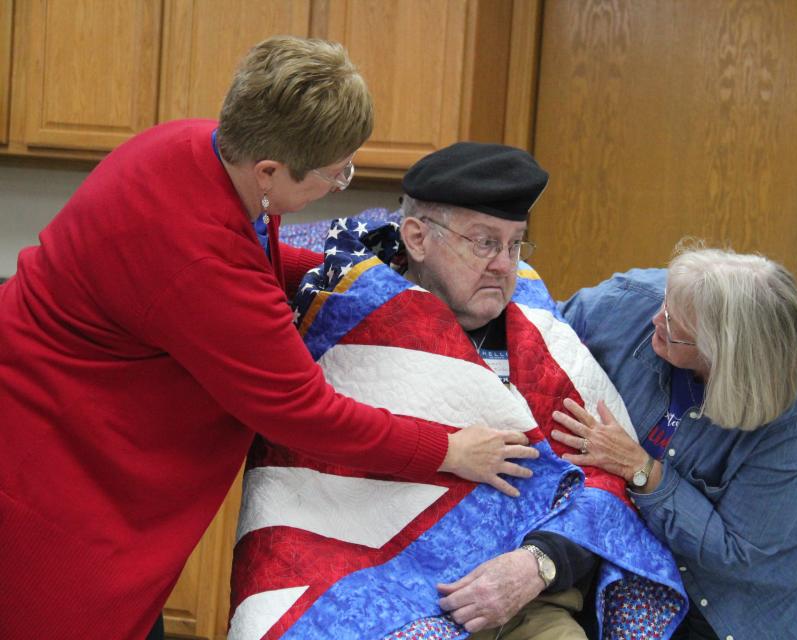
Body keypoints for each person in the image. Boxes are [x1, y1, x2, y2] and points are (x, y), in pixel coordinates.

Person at [0, 37, 536, 640]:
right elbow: (303, 411)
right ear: (269, 172)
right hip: (57, 463)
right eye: (336, 175)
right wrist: (448, 450)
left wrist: (360, 281)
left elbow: (252, 255)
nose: (340, 186)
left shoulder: (188, 144)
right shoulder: (198, 262)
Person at [229, 143, 687, 640]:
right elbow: (309, 479)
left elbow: (599, 481)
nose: (503, 265)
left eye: (515, 245)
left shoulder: (542, 333)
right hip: (376, 592)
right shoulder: (348, 317)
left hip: (532, 598)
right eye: (484, 242)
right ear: (417, 237)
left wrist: (539, 564)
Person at [551, 245, 797, 640]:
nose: (656, 319)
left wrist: (641, 469)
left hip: (724, 595)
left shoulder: (795, 418)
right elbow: (542, 333)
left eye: (674, 327)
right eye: (666, 305)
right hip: (615, 551)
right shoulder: (640, 300)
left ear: (723, 356)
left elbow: (736, 551)